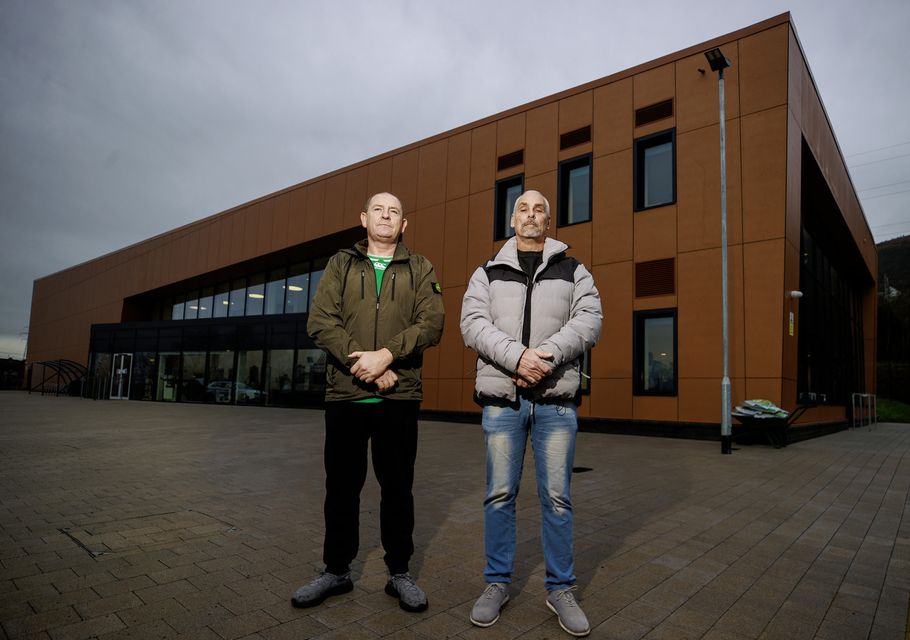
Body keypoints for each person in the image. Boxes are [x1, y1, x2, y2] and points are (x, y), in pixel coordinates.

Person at [293, 192, 445, 612]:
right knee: (341, 487)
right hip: (345, 395)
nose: (385, 216)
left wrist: (388, 355)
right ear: (363, 218)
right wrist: (365, 361)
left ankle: (399, 573)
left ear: (404, 224)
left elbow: (432, 323)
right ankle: (336, 571)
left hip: (400, 396)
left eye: (394, 211)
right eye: (378, 209)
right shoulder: (341, 263)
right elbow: (320, 321)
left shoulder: (420, 267)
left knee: (398, 488)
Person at [460, 189, 602, 637]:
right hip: (504, 403)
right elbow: (473, 324)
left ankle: (560, 588)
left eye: (539, 209)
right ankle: (497, 583)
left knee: (557, 499)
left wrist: (543, 355)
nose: (531, 215)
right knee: (500, 494)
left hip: (556, 403)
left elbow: (589, 319)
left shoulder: (574, 270)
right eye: (523, 208)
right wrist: (518, 359)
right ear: (512, 219)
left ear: (549, 219)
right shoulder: (487, 271)